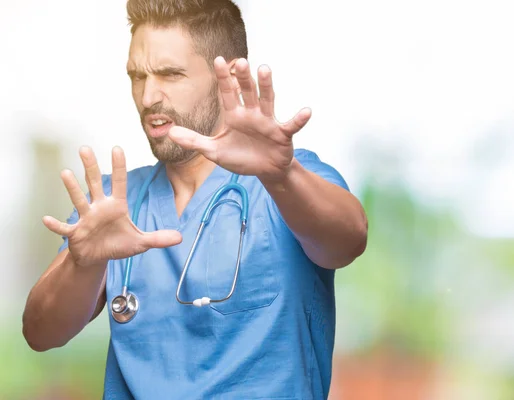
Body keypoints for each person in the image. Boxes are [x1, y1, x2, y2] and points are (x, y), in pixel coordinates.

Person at [22, 0, 368, 398]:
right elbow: (40, 333)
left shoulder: (286, 180)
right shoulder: (114, 203)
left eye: (170, 74)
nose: (149, 95)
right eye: (137, 76)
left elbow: (348, 241)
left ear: (228, 78)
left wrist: (283, 175)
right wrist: (83, 264)